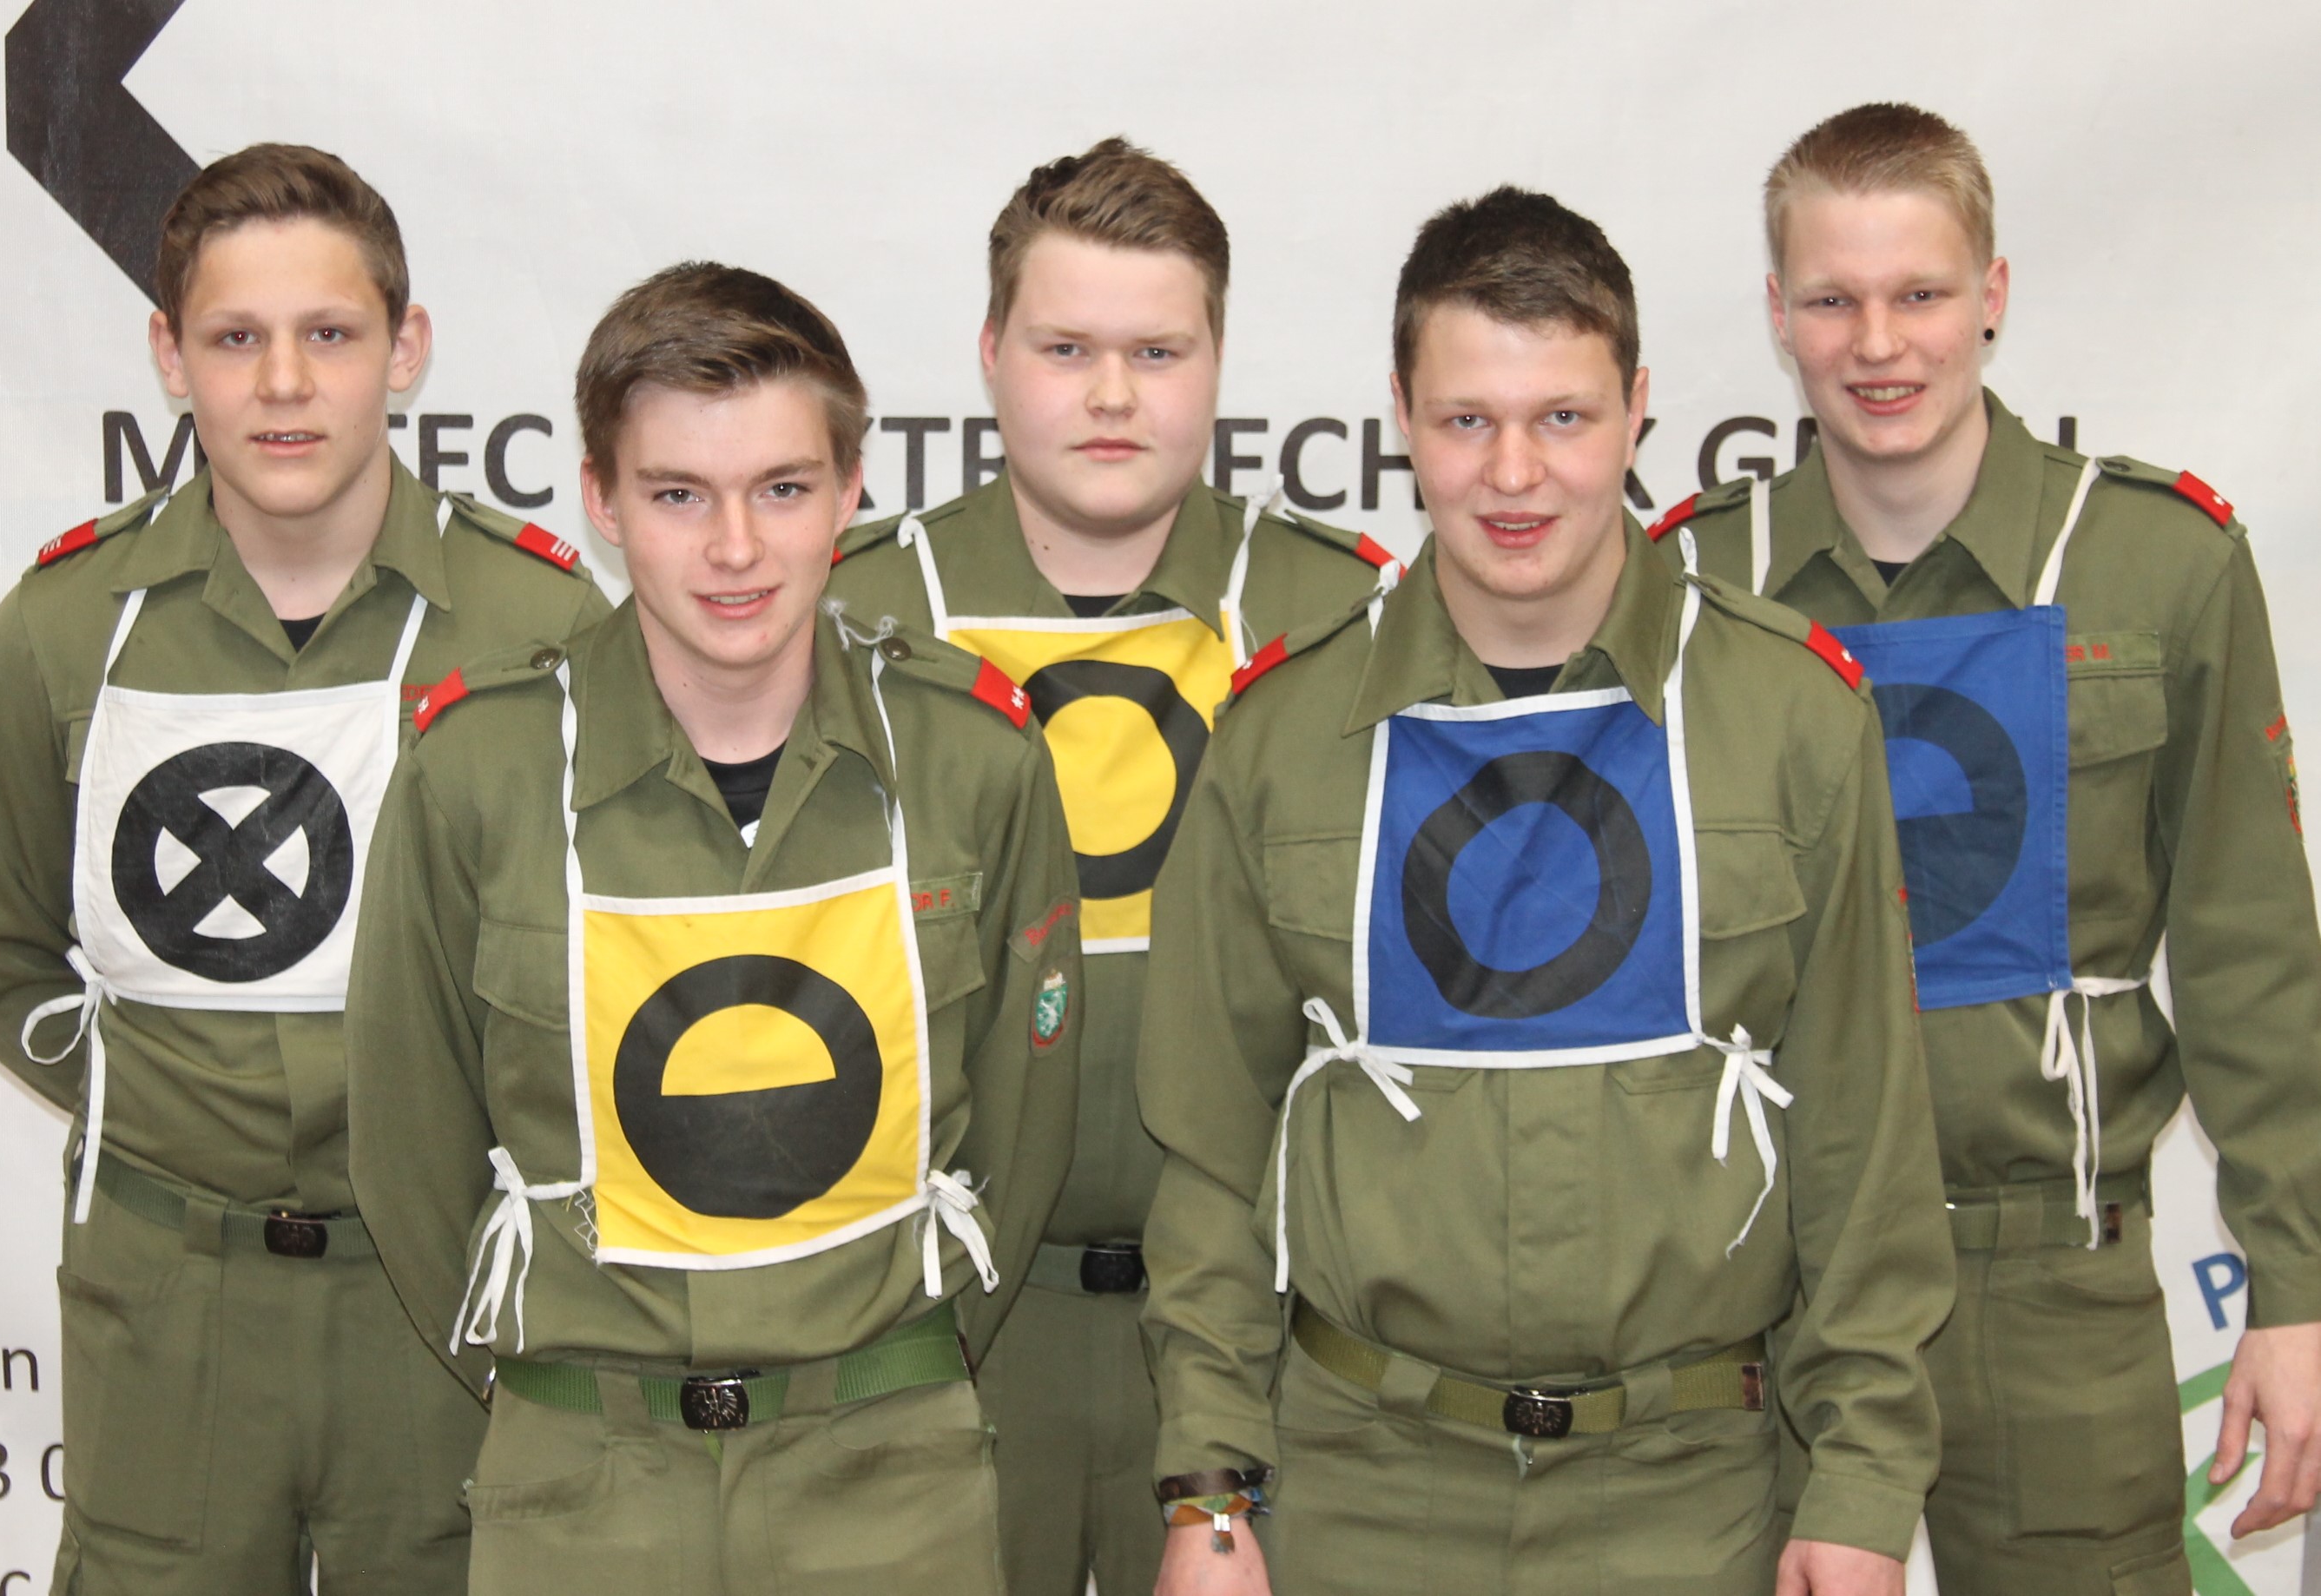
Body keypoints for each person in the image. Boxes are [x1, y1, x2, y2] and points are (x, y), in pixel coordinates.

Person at [1137, 186, 1954, 1596]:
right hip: (1361, 1492)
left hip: (1689, 1498)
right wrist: (1208, 1494)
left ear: (1637, 410)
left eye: (1563, 417)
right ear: (1403, 416)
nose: (1514, 473)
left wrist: (1866, 1489)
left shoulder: (1793, 717)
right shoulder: (1281, 733)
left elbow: (1864, 1149)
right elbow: (1213, 1151)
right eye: (1468, 420)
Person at [1654, 102, 2321, 1592]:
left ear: (1994, 294)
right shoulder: (1687, 589)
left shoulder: (2161, 563)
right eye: (1833, 299)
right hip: (1763, 1297)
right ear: (1777, 314)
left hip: (2053, 1291)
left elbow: (2253, 960)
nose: (1879, 342)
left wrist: (2298, 1287)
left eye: (1921, 293)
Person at [344, 261, 1083, 1594]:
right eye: (679, 494)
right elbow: (410, 1146)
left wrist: (905, 1370)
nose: (734, 548)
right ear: (601, 499)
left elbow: (1022, 1136)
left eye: (781, 489)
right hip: (582, 1486)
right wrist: (557, 1397)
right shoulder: (478, 772)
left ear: (851, 491)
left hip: (891, 1478)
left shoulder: (976, 758)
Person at [0, 143, 606, 1594]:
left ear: (405, 350)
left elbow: (604, 949)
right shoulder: (61, 626)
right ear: (169, 356)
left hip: (440, 1286)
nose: (285, 382)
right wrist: (172, 1098)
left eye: (330, 333)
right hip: (168, 1295)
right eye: (236, 338)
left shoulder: (543, 627)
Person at [828, 135, 1394, 1596]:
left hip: (1259, 1341)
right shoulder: (849, 618)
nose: (1112, 394)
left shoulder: (1349, 620)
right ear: (990, 354)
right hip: (947, 1336)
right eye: (1065, 347)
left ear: (1218, 360)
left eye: (1157, 350)